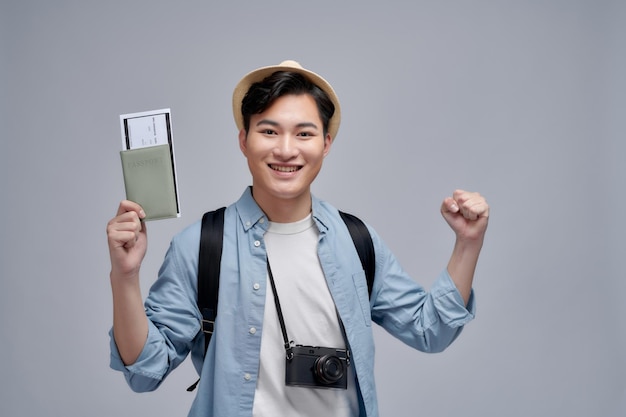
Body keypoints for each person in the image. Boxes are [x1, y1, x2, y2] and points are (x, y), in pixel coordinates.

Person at [107, 60, 490, 417]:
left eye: (304, 133)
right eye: (269, 131)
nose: (286, 150)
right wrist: (124, 276)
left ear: (325, 144)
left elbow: (430, 330)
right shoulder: (201, 245)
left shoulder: (356, 242)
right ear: (244, 141)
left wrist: (468, 244)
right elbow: (145, 371)